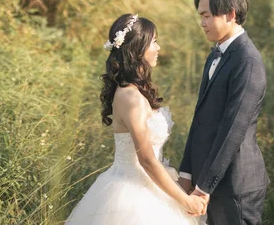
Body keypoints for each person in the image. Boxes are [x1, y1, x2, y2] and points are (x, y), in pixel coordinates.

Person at [66, 14, 206, 225]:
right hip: (132, 192)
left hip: (151, 185)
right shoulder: (130, 97)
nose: (158, 48)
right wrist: (185, 201)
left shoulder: (133, 91)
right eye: (154, 42)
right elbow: (147, 160)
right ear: (137, 49)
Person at [178, 0, 270, 225]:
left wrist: (204, 187)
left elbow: (233, 130)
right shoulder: (216, 54)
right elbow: (200, 121)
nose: (202, 23)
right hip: (209, 181)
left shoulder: (247, 61)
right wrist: (186, 173)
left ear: (230, 14)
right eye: (201, 16)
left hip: (235, 186)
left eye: (207, 16)